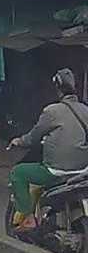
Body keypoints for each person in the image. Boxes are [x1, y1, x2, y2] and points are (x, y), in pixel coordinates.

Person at [7, 68, 88, 233]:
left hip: (56, 171)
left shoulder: (51, 111)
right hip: (82, 171)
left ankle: (28, 218)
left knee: (18, 173)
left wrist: (19, 141)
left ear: (58, 89)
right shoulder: (85, 110)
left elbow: (33, 138)